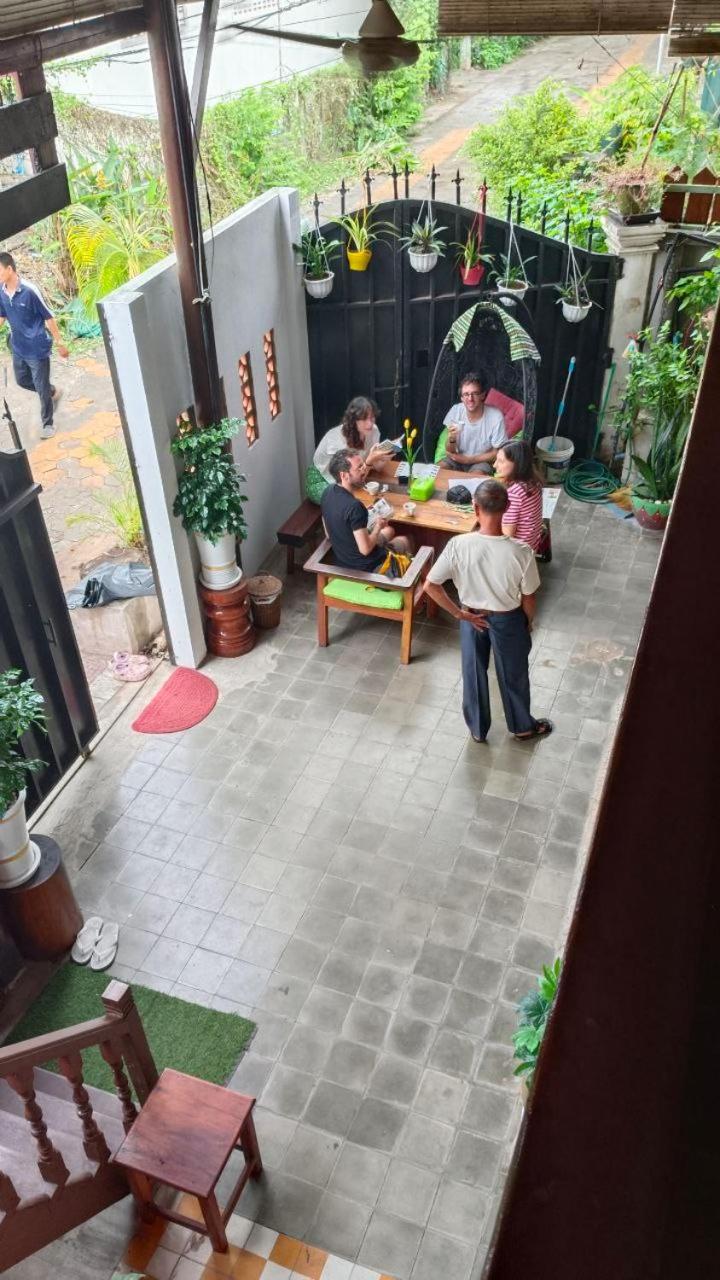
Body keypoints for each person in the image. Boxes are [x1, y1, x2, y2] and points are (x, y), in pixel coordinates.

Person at [423, 480, 552, 744]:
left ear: (475, 507)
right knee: (513, 674)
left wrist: (460, 615)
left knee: (473, 672)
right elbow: (529, 597)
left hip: (471, 617)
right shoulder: (521, 552)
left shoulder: (458, 545)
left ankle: (478, 729)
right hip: (508, 619)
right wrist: (527, 623)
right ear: (507, 507)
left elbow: (431, 586)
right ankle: (522, 727)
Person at [0, 251, 68, 440]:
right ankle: (52, 391)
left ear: (9, 269)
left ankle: (48, 424)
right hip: (18, 346)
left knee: (40, 386)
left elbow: (49, 317)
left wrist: (60, 343)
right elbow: (2, 315)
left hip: (37, 348)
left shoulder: (30, 291)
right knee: (22, 380)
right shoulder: (1, 292)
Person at [321, 447, 412, 574]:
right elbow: (365, 549)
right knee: (406, 540)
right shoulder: (354, 506)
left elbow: (328, 534)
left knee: (389, 531)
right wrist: (378, 526)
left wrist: (362, 520)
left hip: (344, 559)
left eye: (363, 465)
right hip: (366, 568)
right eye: (359, 468)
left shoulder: (327, 492)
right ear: (344, 475)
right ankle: (414, 579)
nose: (364, 469)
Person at [308, 396, 390, 502]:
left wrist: (385, 457)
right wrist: (369, 461)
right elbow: (348, 480)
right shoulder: (338, 441)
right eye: (364, 419)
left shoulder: (373, 431)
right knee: (348, 503)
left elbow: (377, 467)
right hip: (323, 479)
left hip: (355, 475)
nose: (370, 423)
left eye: (372, 417)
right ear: (354, 420)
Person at [439, 372, 507, 474]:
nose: (470, 399)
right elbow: (450, 450)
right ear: (462, 398)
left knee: (475, 479)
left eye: (475, 393)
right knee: (436, 472)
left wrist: (468, 460)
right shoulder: (456, 411)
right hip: (457, 459)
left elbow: (497, 452)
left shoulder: (495, 416)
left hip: (481, 462)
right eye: (466, 394)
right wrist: (452, 437)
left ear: (483, 395)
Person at [495, 439, 544, 551]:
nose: (494, 465)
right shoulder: (533, 481)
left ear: (517, 464)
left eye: (501, 461)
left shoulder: (514, 493)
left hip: (517, 552)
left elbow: (507, 536)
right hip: (531, 545)